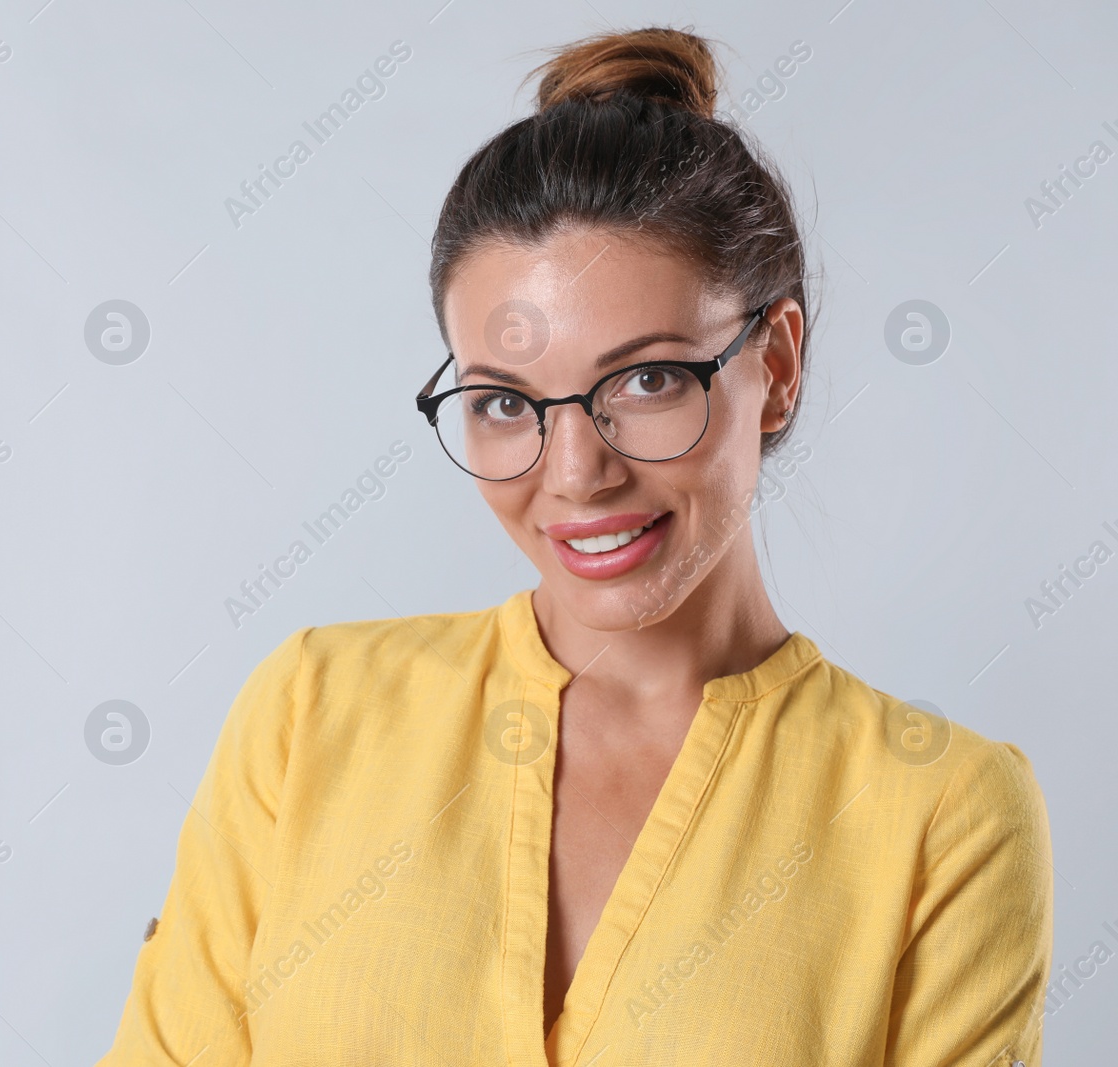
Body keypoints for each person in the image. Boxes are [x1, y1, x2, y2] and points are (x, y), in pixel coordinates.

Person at [98, 25, 1052, 1066]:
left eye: (646, 380)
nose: (572, 471)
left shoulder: (940, 816)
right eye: (505, 401)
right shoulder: (310, 714)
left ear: (774, 365)